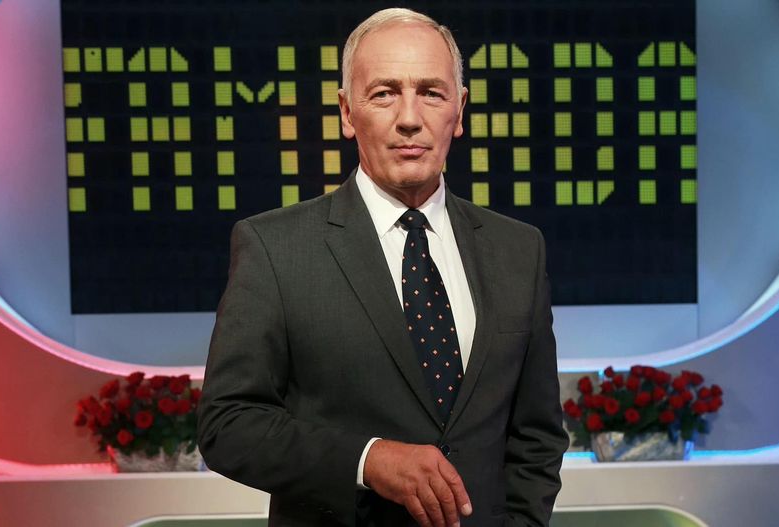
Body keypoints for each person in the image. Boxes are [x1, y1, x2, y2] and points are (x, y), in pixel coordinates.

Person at [197, 8, 567, 527]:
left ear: (459, 111)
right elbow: (228, 425)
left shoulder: (519, 250)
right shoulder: (276, 248)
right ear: (348, 113)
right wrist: (367, 460)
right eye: (385, 93)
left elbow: (537, 436)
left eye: (431, 93)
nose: (410, 117)